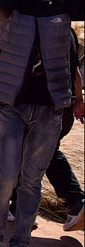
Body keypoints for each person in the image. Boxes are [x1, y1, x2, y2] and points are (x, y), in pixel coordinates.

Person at [0, 0, 84, 247]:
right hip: (12, 104)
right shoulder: (14, 1)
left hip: (50, 109)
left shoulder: (62, 1)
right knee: (7, 177)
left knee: (31, 182)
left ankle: (21, 244)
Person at [8, 28, 85, 232]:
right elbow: (75, 70)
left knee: (37, 154)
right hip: (64, 104)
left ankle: (75, 202)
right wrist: (78, 100)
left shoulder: (31, 28)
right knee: (37, 153)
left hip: (44, 106)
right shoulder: (67, 30)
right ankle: (20, 209)